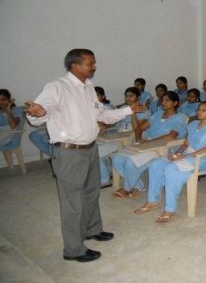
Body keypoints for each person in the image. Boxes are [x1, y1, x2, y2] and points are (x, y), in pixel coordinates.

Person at [25, 49, 144, 263]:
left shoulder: (88, 88)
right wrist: (38, 114)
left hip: (90, 148)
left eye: (94, 63)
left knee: (91, 193)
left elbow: (103, 115)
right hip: (69, 152)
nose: (94, 67)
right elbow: (37, 114)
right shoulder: (57, 87)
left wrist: (128, 110)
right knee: (72, 201)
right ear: (75, 65)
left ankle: (92, 229)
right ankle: (73, 249)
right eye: (90, 64)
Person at [134, 101, 206, 223]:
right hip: (188, 155)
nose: (199, 112)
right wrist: (178, 153)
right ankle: (152, 201)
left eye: (204, 110)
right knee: (156, 164)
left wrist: (184, 156)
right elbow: (186, 143)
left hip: (204, 158)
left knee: (172, 169)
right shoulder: (193, 125)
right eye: (199, 109)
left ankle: (170, 209)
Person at [111, 91, 187, 198]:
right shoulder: (158, 114)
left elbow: (171, 136)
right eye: (162, 100)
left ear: (175, 103)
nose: (163, 103)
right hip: (147, 144)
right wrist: (138, 140)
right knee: (117, 158)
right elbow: (140, 128)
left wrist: (148, 142)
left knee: (130, 162)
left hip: (163, 148)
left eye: (167, 100)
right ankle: (138, 185)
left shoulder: (180, 117)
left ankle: (126, 188)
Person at [97, 87, 149, 188]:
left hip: (133, 138)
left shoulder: (143, 109)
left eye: (131, 96)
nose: (128, 98)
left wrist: (133, 113)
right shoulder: (124, 108)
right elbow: (114, 122)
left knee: (98, 152)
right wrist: (105, 126)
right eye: (126, 96)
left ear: (138, 97)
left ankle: (106, 179)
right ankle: (106, 176)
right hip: (119, 137)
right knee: (95, 149)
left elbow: (138, 129)